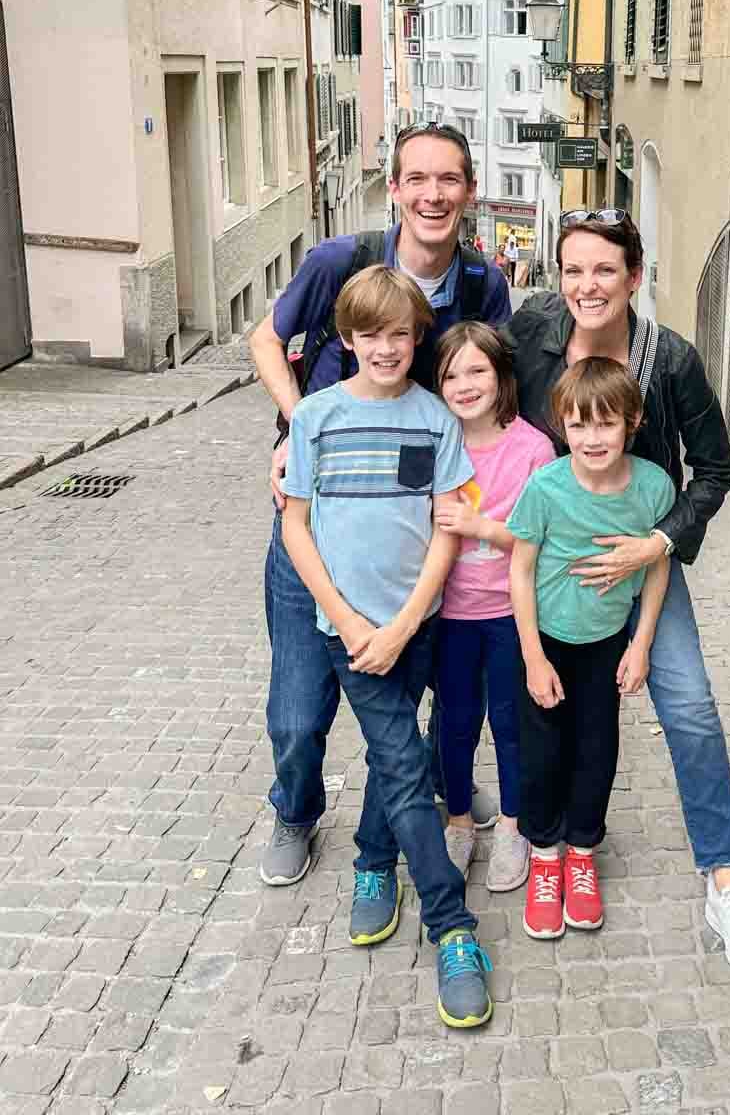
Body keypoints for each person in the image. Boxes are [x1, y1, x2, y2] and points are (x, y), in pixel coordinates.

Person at [505, 209, 730, 981]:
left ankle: (724, 883)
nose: (588, 285)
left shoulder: (670, 360)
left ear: (633, 275)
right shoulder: (533, 334)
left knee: (688, 705)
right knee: (519, 700)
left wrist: (656, 543)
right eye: (574, 270)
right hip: (551, 566)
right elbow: (458, 381)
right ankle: (521, 836)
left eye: (604, 270)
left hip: (644, 560)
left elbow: (716, 472)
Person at [250, 125, 511, 895]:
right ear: (393, 188)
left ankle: (434, 787)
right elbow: (266, 341)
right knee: (299, 713)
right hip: (319, 522)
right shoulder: (342, 262)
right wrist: (299, 423)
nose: (434, 195)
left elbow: (484, 386)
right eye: (417, 179)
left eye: (450, 180)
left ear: (467, 191)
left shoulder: (480, 284)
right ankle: (295, 809)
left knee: (439, 691)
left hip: (413, 527)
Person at [280, 265, 492, 1028]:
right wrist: (346, 616)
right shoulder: (316, 419)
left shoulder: (436, 421)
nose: (386, 347)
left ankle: (374, 865)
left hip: (416, 627)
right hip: (350, 633)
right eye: (370, 334)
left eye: (400, 333)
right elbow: (294, 526)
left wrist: (406, 622)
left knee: (391, 754)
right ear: (346, 338)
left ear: (416, 337)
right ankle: (453, 928)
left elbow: (447, 527)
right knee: (406, 763)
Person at [509, 358, 673, 940]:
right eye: (578, 425)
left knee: (597, 751)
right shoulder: (546, 487)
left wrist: (642, 644)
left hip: (608, 643)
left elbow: (656, 570)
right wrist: (532, 655)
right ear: (562, 427)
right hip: (548, 643)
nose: (591, 438)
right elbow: (520, 569)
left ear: (633, 421)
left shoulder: (654, 487)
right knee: (544, 753)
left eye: (605, 424)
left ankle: (582, 850)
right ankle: (545, 856)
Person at [433, 321, 555, 894]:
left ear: (501, 374)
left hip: (509, 614)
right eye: (451, 374)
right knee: (455, 727)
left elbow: (545, 540)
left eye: (477, 370)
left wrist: (482, 526)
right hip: (450, 616)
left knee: (510, 726)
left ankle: (512, 825)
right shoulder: (436, 440)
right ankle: (460, 822)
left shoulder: (532, 448)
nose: (464, 384)